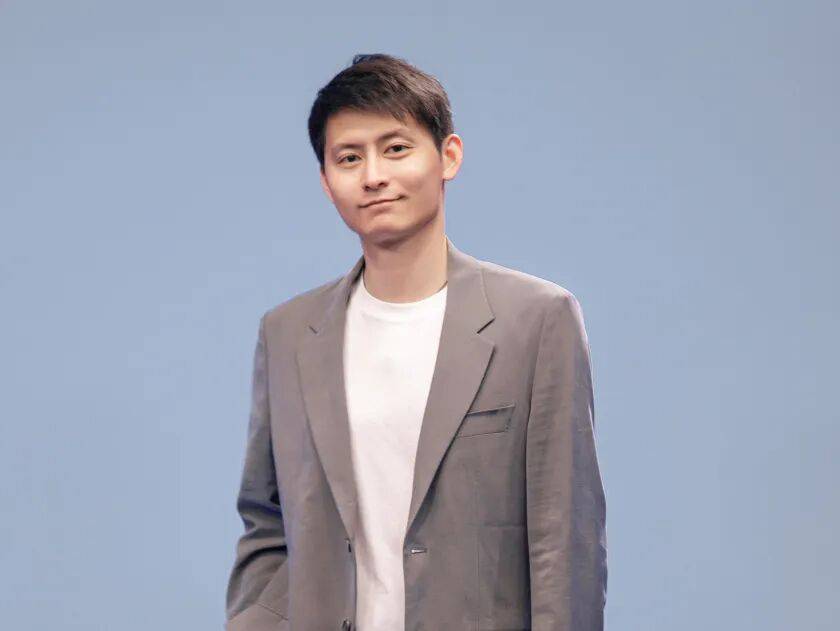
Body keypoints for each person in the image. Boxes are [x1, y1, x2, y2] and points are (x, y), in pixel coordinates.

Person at [225, 53, 607, 631]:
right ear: (326, 182)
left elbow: (566, 539)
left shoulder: (536, 319)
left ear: (448, 156)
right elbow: (266, 522)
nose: (373, 175)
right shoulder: (287, 332)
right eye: (349, 158)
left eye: (396, 148)